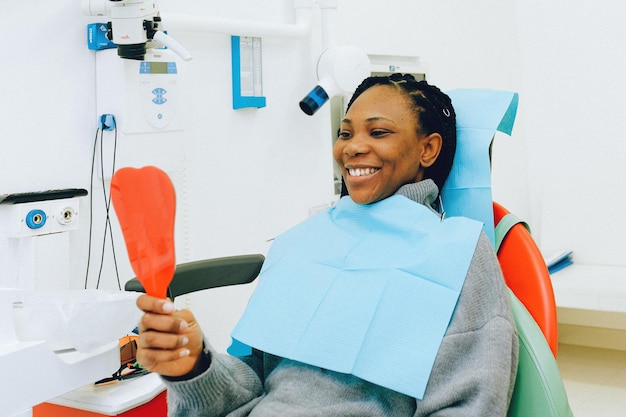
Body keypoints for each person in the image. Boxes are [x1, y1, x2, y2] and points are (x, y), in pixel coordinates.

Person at [135, 74, 519, 416]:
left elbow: (470, 403)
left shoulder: (457, 252)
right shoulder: (303, 242)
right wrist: (194, 365)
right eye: (346, 133)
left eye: (379, 132)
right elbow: (246, 386)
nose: (352, 147)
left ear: (428, 149)